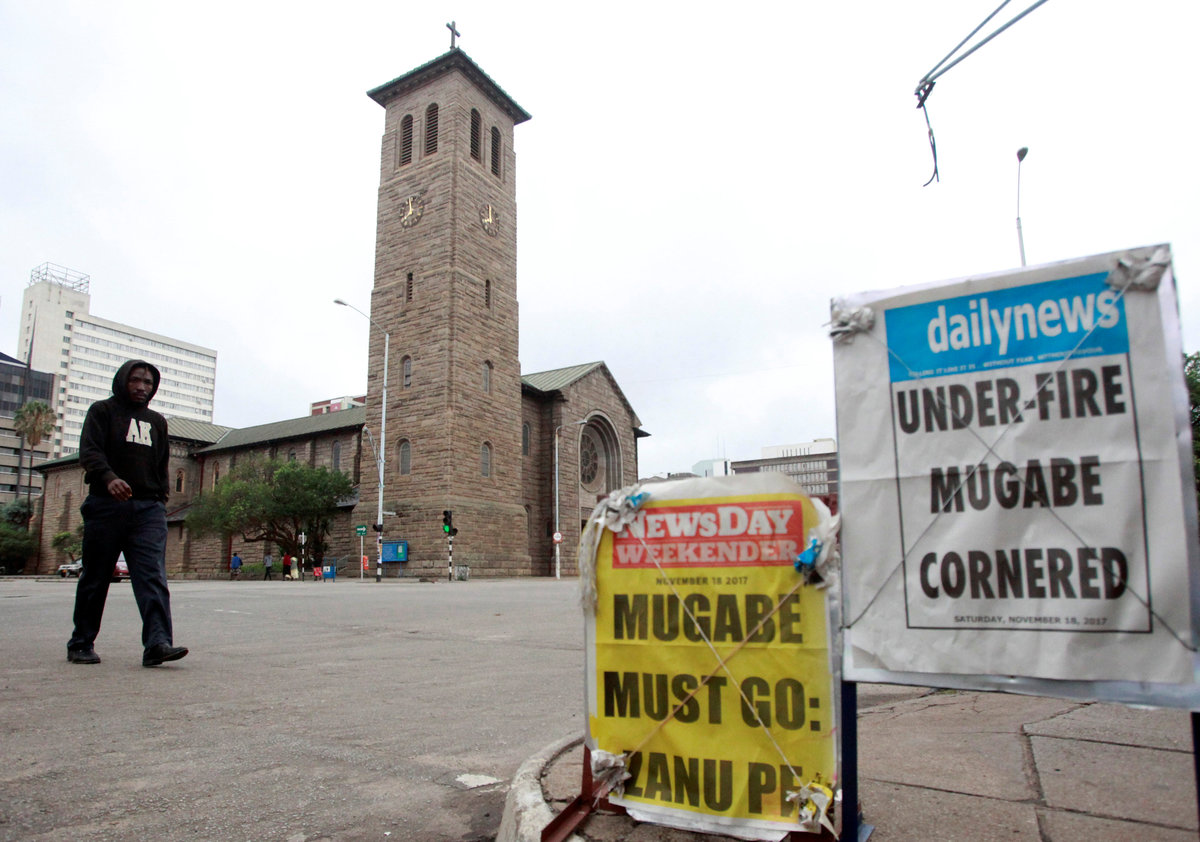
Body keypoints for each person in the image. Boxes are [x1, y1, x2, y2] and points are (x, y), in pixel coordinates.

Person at [67, 360, 188, 668]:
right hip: (105, 506)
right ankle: (81, 643)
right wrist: (109, 479)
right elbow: (90, 452)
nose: (142, 387)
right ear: (123, 380)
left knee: (152, 577)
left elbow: (161, 464)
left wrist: (160, 499)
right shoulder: (102, 412)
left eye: (148, 383)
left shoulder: (156, 422)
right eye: (136, 380)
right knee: (96, 577)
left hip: (147, 510)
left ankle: (157, 643)